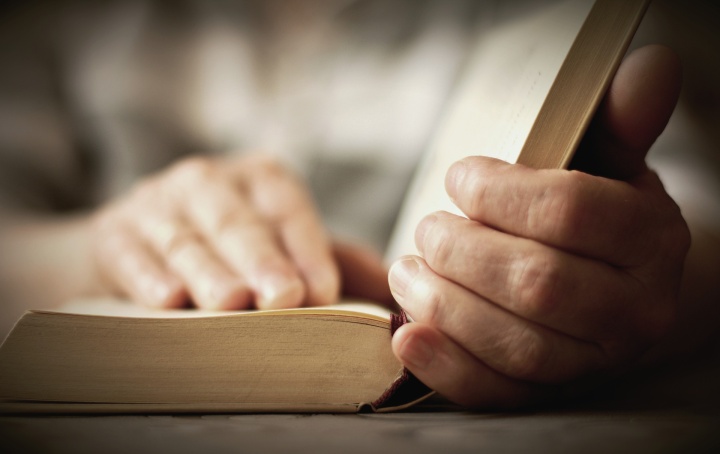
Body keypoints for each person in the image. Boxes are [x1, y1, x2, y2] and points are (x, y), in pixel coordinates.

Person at [0, 0, 718, 409]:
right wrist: (103, 246)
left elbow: (696, 214)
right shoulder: (63, 22)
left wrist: (633, 282)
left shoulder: (538, 16)